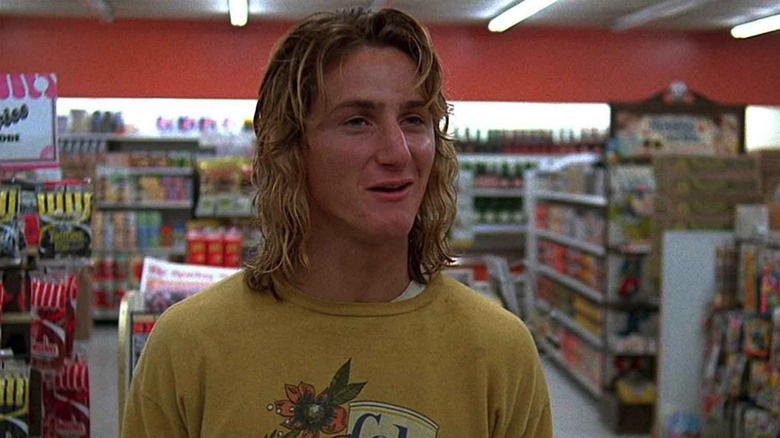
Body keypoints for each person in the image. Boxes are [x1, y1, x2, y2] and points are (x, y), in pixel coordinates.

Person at [122, 7, 552, 438]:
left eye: (413, 119)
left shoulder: (500, 352)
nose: (398, 152)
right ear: (290, 148)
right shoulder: (187, 347)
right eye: (357, 121)